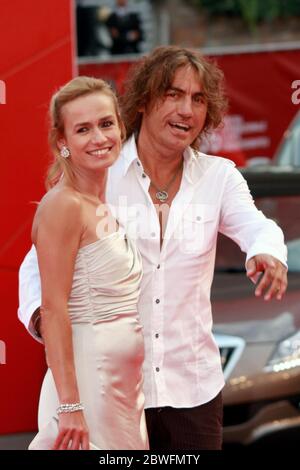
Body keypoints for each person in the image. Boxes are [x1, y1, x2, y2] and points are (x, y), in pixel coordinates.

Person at [19, 46, 288, 450]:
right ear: (144, 100)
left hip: (192, 388)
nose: (186, 110)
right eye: (173, 95)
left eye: (198, 99)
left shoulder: (219, 177)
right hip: (111, 387)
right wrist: (46, 319)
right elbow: (36, 266)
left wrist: (266, 252)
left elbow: (256, 226)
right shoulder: (102, 171)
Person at [24, 76, 149, 450]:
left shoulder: (99, 202)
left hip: (121, 386)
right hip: (88, 384)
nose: (99, 138)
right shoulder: (63, 206)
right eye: (83, 129)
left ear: (120, 127)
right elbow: (54, 309)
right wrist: (71, 404)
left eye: (106, 124)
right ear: (62, 142)